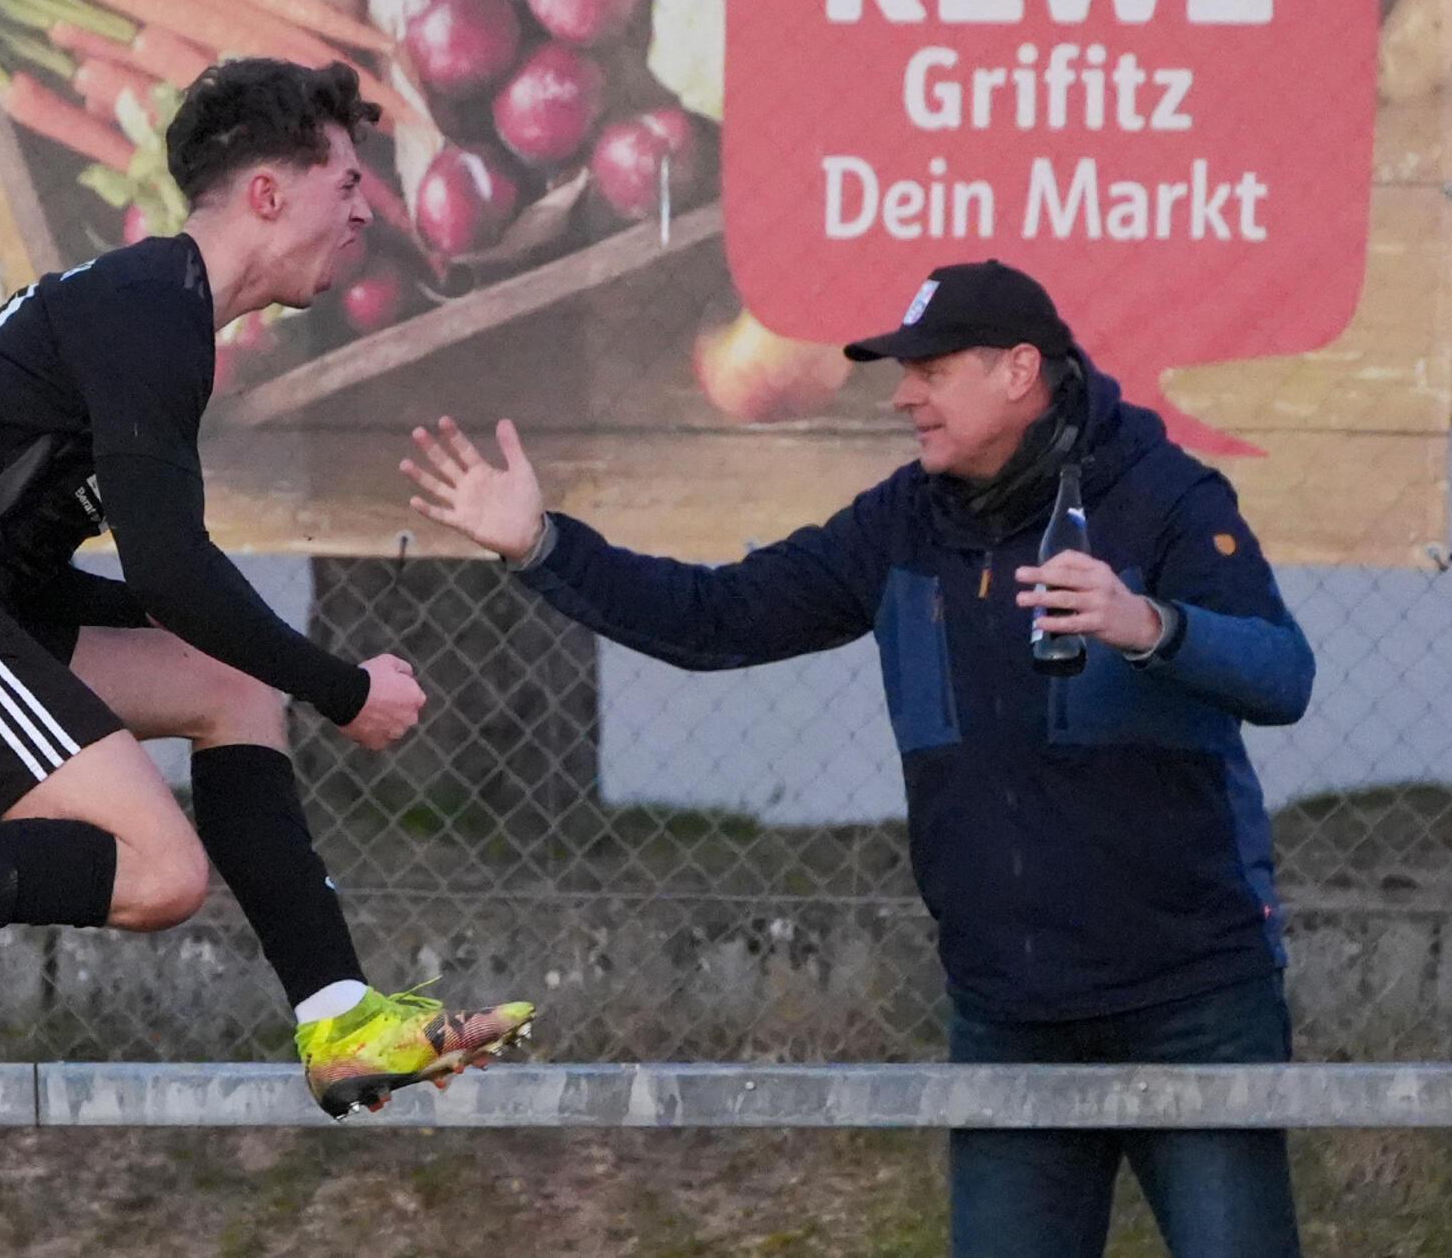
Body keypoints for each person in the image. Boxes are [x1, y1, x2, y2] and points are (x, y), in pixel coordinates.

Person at [403, 260, 1313, 1255]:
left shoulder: (1167, 497)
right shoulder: (899, 523)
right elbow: (714, 618)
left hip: (1192, 996)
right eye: (902, 372)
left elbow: (1282, 676)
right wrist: (540, 545)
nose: (902, 395)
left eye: (930, 370)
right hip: (1006, 1012)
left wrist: (1150, 626)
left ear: (1018, 371)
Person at [0, 58, 531, 1118]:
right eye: (345, 184)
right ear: (268, 194)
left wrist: (204, 636)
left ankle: (341, 1022)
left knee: (230, 687)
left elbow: (97, 571)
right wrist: (345, 690)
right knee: (159, 873)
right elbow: (171, 567)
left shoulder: (157, 308)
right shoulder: (149, 308)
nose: (365, 210)